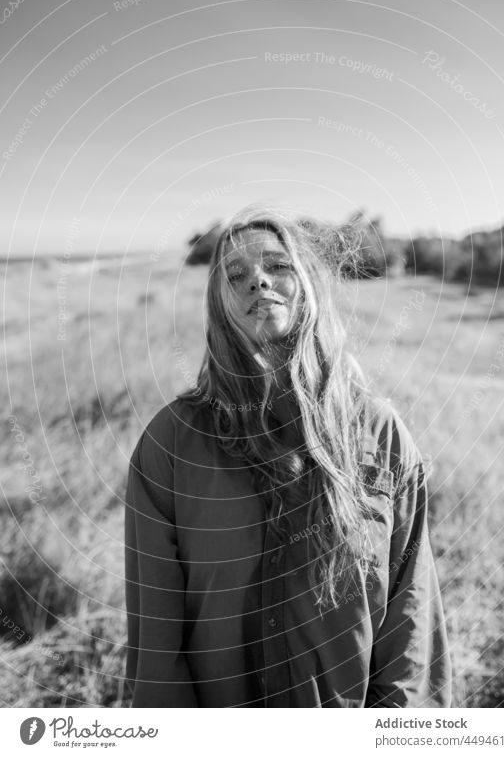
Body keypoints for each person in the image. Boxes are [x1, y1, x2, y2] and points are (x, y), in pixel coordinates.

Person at [124, 205, 452, 708]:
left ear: (309, 286)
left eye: (277, 266)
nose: (258, 280)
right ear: (219, 306)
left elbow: (411, 616)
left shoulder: (380, 433)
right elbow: (156, 636)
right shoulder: (171, 442)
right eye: (236, 275)